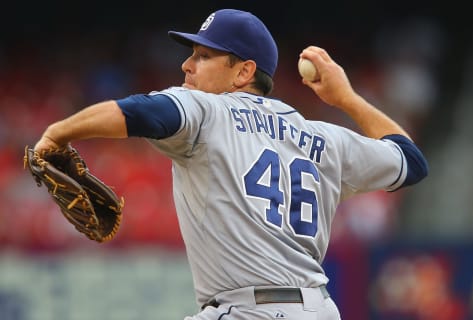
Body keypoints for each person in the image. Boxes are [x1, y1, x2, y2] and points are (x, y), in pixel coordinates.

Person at [33, 8, 428, 320]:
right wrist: (346, 99)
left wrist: (57, 133)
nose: (187, 66)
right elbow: (411, 161)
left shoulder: (209, 110)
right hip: (318, 309)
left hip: (247, 310)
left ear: (244, 72)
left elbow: (140, 112)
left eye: (203, 56)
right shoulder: (326, 137)